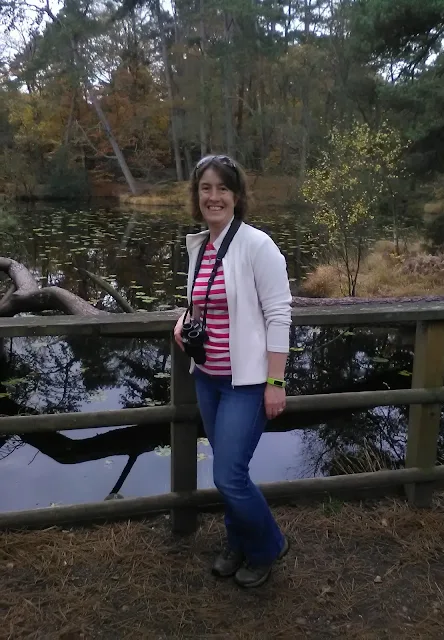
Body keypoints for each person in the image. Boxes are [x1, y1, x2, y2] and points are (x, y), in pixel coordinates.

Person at [173, 154, 292, 588]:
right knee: (228, 470)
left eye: (222, 188)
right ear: (197, 196)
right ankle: (237, 542)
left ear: (237, 196)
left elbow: (279, 315)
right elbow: (200, 304)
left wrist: (275, 382)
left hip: (246, 382)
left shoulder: (257, 245)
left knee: (228, 474)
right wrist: (182, 323)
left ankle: (267, 546)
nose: (214, 196)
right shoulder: (201, 245)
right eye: (206, 188)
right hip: (207, 376)